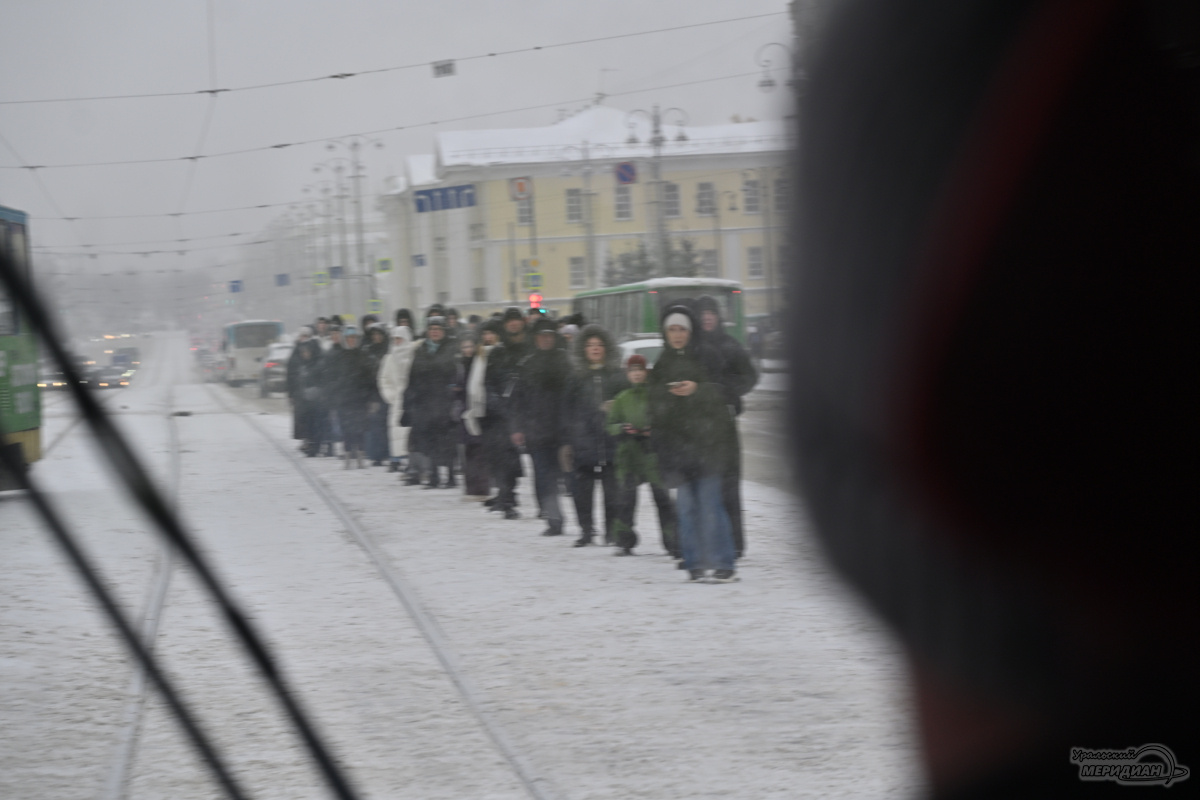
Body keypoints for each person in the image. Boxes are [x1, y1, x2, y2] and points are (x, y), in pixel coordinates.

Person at [648, 304, 739, 582]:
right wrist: (667, 398)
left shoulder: (707, 355)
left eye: (682, 329)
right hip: (678, 450)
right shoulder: (662, 364)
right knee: (686, 510)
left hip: (708, 446)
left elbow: (725, 394)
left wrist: (697, 390)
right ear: (665, 333)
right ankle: (694, 562)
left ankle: (724, 562)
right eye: (672, 330)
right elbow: (655, 405)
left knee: (711, 507)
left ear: (690, 331)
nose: (677, 335)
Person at [694, 294, 758, 559]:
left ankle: (735, 543)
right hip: (695, 425)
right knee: (701, 487)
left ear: (718, 316)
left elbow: (750, 376)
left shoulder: (730, 345)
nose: (707, 318)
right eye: (703, 314)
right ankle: (705, 542)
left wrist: (729, 391)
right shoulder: (692, 346)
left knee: (729, 486)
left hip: (724, 424)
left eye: (711, 313)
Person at [606, 354, 678, 558]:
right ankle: (624, 541)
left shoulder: (655, 396)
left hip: (652, 454)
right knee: (626, 500)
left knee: (662, 499)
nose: (636, 374)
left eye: (639, 370)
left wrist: (653, 430)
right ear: (627, 374)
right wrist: (622, 428)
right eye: (632, 371)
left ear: (646, 372)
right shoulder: (622, 398)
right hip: (628, 455)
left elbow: (667, 421)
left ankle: (673, 541)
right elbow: (610, 425)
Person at [563, 324, 628, 548]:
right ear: (583, 349)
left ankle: (611, 531)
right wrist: (568, 440)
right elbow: (566, 410)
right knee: (582, 493)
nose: (595, 348)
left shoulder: (617, 376)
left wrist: (615, 409)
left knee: (613, 493)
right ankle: (586, 530)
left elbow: (627, 404)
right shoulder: (575, 377)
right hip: (583, 444)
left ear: (607, 348)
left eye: (599, 344)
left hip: (611, 443)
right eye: (590, 345)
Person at [509, 317, 570, 536]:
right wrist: (517, 427)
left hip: (564, 430)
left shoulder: (566, 362)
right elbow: (517, 399)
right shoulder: (526, 365)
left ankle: (585, 523)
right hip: (537, 430)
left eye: (549, 336)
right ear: (535, 339)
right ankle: (554, 519)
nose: (546, 339)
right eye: (542, 336)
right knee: (544, 476)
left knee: (571, 478)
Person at [481, 312, 526, 518]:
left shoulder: (527, 349)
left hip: (523, 411)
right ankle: (506, 496)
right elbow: (488, 381)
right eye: (510, 321)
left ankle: (508, 495)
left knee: (511, 458)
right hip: (499, 414)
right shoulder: (498, 353)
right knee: (501, 456)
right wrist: (496, 402)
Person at [404, 316, 457, 488]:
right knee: (430, 441)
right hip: (425, 403)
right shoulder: (420, 350)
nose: (435, 332)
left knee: (447, 442)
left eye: (438, 329)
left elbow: (456, 374)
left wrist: (452, 391)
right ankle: (433, 476)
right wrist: (408, 403)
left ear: (444, 331)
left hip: (445, 402)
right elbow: (412, 377)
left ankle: (451, 477)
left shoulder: (451, 348)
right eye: (432, 329)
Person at [323, 325, 374, 469]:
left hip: (360, 399)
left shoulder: (363, 355)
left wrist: (370, 396)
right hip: (344, 399)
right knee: (346, 429)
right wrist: (334, 395)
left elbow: (369, 378)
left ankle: (360, 456)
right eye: (349, 338)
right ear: (344, 340)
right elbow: (331, 378)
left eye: (354, 338)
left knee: (360, 428)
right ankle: (347, 456)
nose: (351, 340)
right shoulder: (339, 357)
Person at [453, 332, 490, 498]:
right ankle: (471, 487)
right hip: (465, 410)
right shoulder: (460, 364)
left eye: (469, 346)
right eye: (464, 347)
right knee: (468, 451)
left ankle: (482, 487)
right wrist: (455, 390)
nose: (467, 349)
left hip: (478, 410)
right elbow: (454, 385)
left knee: (479, 450)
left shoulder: (480, 363)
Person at [377, 325, 415, 475]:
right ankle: (396, 459)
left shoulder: (413, 354)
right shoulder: (389, 358)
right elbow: (383, 379)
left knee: (410, 432)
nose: (397, 341)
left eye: (399, 338)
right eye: (395, 339)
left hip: (411, 399)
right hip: (396, 401)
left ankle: (411, 462)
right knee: (396, 431)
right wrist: (390, 395)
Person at [361, 324, 391, 466]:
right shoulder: (368, 352)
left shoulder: (389, 351)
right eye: (374, 335)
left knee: (387, 425)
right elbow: (365, 376)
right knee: (375, 425)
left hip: (388, 392)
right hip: (374, 393)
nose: (376, 337)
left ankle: (387, 453)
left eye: (379, 334)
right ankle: (377, 455)